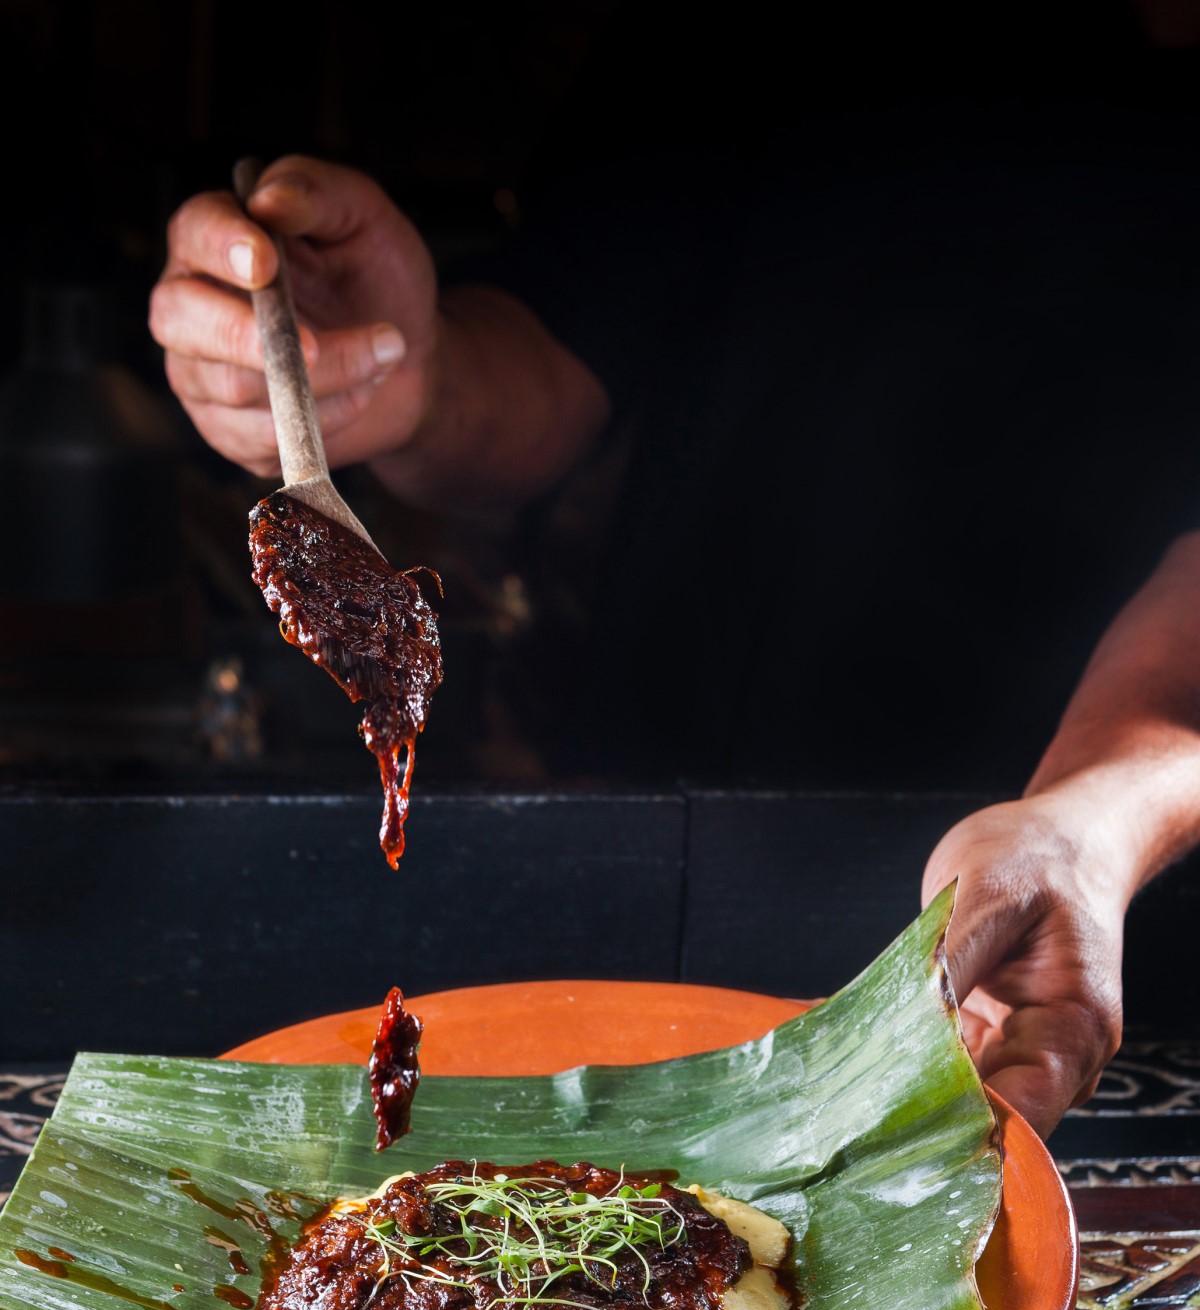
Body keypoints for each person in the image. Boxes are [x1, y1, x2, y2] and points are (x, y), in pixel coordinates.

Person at [149, 10, 1200, 1140]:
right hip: (658, 823)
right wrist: (397, 371)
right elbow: (565, 347)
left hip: (1091, 913)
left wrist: (1090, 821)